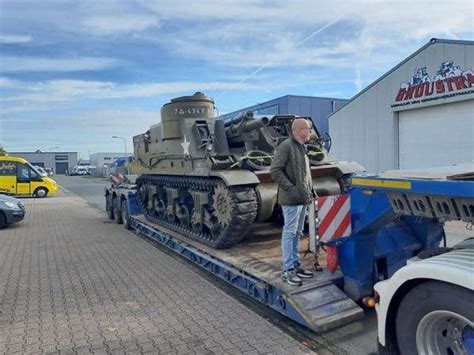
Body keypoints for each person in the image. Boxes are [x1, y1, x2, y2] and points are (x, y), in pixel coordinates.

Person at [270, 118, 315, 286]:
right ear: (298, 130)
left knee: (297, 232)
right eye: (308, 128)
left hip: (302, 198)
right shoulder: (287, 146)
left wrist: (310, 191)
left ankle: (295, 266)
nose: (310, 131)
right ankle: (288, 270)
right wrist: (292, 188)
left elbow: (305, 174)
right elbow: (274, 170)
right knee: (290, 233)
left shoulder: (301, 147)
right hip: (292, 199)